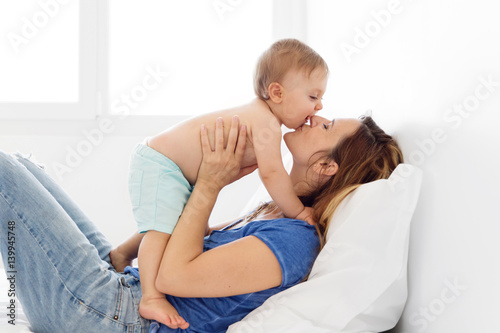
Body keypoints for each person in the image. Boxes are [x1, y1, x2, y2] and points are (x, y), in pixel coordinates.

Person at [0, 114, 403, 333]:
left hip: (111, 317)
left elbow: (174, 278)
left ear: (327, 167)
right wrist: (201, 181)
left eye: (328, 127)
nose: (316, 116)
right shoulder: (276, 209)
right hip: (126, 289)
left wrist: (209, 185)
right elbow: (183, 234)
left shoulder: (296, 242)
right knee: (20, 164)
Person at [123, 38, 328, 328]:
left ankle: (122, 253)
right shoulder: (266, 122)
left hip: (168, 163)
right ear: (278, 92)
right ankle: (152, 297)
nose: (319, 107)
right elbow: (271, 174)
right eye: (313, 96)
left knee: (168, 221)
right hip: (163, 162)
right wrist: (297, 211)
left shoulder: (261, 116)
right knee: (159, 229)